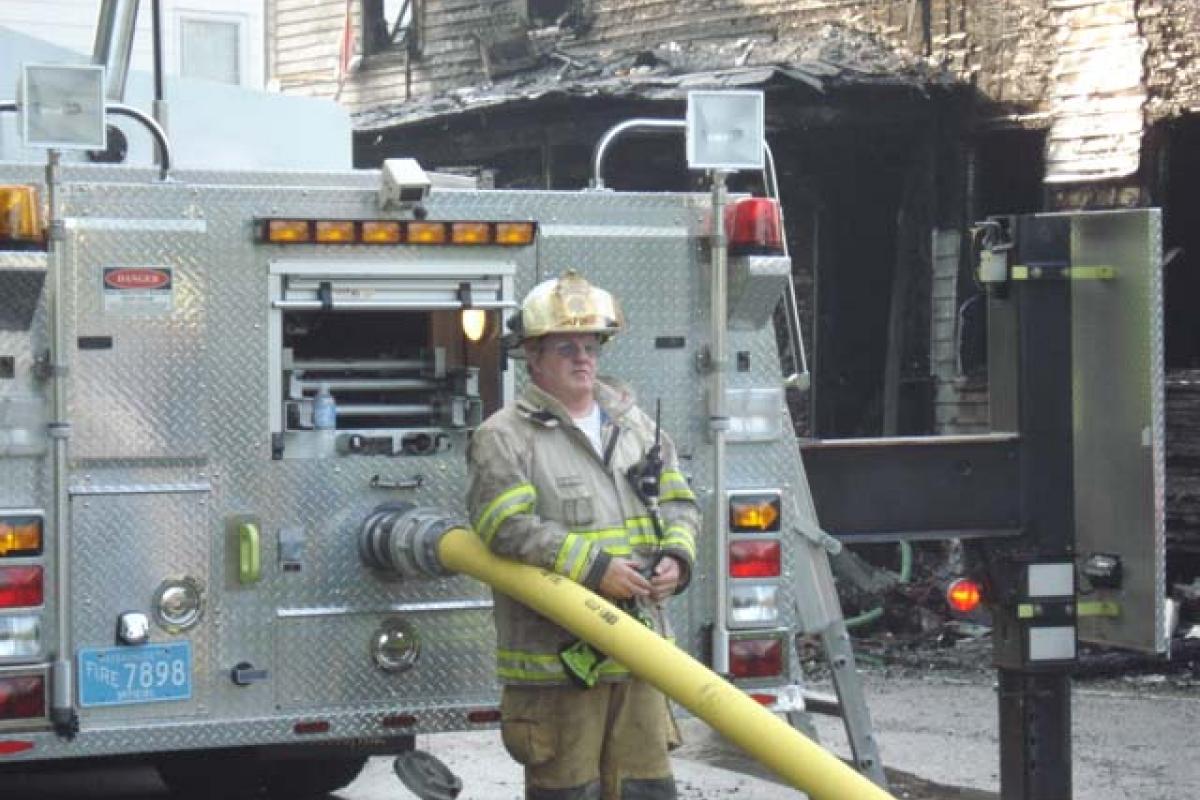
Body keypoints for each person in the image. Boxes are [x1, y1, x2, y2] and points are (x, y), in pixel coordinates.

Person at [466, 270, 701, 800]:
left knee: (645, 790)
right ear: (533, 356)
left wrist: (676, 562)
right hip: (558, 662)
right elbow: (505, 527)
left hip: (639, 653)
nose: (583, 358)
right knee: (570, 792)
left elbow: (682, 503)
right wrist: (595, 569)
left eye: (591, 345)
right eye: (566, 347)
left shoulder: (636, 426)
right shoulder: (503, 437)